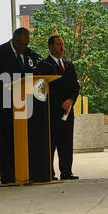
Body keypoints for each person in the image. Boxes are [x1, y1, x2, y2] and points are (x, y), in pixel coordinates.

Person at [0, 27, 37, 184]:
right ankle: (8, 177)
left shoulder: (29, 54)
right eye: (22, 44)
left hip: (22, 106)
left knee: (20, 142)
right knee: (4, 143)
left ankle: (22, 173)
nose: (24, 47)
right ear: (14, 40)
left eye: (27, 44)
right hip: (2, 106)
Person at [37, 35, 80, 180]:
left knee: (67, 143)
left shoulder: (69, 65)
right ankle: (49, 173)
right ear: (50, 46)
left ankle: (67, 172)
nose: (62, 48)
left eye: (63, 44)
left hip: (68, 110)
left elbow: (76, 86)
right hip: (53, 111)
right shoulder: (44, 65)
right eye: (58, 45)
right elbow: (46, 88)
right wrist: (61, 102)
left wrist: (70, 100)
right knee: (52, 143)